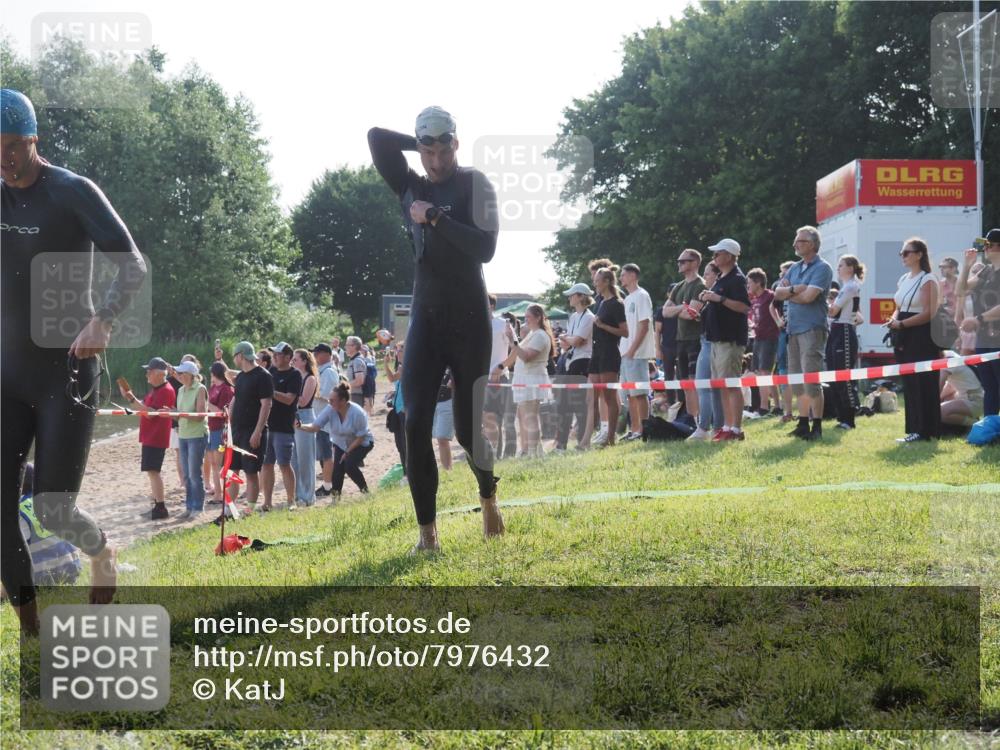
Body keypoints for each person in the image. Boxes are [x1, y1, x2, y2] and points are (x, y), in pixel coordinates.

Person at [1, 89, 148, 630]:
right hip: (7, 375)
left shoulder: (71, 191)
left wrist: (104, 318)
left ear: (32, 139)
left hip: (66, 372)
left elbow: (131, 261)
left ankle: (101, 550)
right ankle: (31, 635)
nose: (4, 158)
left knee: (53, 509)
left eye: (12, 146)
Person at [369, 105, 504, 552]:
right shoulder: (411, 185)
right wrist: (419, 141)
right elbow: (376, 138)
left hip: (469, 319)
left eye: (442, 147)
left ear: (456, 144)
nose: (434, 158)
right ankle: (428, 535)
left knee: (466, 432)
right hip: (426, 317)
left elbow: (485, 247)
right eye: (427, 149)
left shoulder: (474, 183)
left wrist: (436, 218)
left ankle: (488, 497)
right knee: (414, 423)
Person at [774, 226, 834, 441]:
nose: (795, 244)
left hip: (812, 329)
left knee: (811, 379)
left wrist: (791, 292)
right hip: (793, 330)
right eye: (796, 240)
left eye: (800, 241)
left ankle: (816, 426)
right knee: (797, 380)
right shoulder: (794, 268)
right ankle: (802, 423)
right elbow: (777, 293)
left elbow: (809, 297)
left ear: (812, 244)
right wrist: (795, 290)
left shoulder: (822, 268)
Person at [886, 237, 942, 442]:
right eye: (902, 253)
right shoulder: (904, 279)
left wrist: (902, 324)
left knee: (923, 382)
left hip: (921, 335)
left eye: (906, 252)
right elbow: (899, 307)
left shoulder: (928, 279)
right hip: (903, 334)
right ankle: (914, 429)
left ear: (919, 255)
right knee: (909, 382)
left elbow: (929, 312)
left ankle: (927, 430)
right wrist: (893, 320)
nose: (903, 256)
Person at [698, 239, 751, 441]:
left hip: (730, 340)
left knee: (731, 384)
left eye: (717, 253)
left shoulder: (737, 279)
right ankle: (727, 426)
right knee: (721, 385)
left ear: (729, 256)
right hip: (717, 340)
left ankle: (736, 429)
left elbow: (744, 307)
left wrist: (718, 299)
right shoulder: (722, 278)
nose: (714, 257)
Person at [119, 358, 176, 520]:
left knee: (154, 471)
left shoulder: (166, 390)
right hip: (150, 436)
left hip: (156, 437)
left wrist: (131, 399)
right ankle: (157, 504)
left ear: (159, 373)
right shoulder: (156, 389)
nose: (147, 374)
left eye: (149, 371)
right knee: (151, 472)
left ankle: (160, 507)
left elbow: (150, 414)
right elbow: (143, 407)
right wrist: (130, 399)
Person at [297, 382, 375, 499]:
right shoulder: (330, 409)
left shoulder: (357, 413)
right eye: (329, 399)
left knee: (349, 465)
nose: (329, 402)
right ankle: (335, 498)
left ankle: (366, 492)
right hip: (341, 443)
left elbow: (361, 437)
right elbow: (315, 427)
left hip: (362, 443)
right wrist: (300, 425)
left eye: (332, 400)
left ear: (343, 401)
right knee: (338, 470)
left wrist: (347, 452)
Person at [956, 229, 1000, 416]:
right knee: (990, 387)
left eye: (988, 245)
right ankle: (990, 428)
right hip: (984, 339)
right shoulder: (985, 270)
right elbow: (961, 290)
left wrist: (978, 319)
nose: (985, 248)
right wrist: (967, 266)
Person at [501, 304, 555, 457]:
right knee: (526, 417)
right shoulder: (533, 334)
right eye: (525, 318)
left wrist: (513, 341)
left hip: (532, 380)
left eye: (528, 317)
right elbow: (517, 355)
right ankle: (535, 451)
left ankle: (534, 452)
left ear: (538, 318)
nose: (526, 320)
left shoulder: (540, 335)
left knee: (530, 417)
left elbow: (525, 356)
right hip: (526, 379)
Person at [662, 250, 706, 421]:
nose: (679, 264)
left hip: (695, 340)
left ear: (694, 263)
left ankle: (700, 420)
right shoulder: (679, 286)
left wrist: (678, 310)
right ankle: (691, 419)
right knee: (685, 383)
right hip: (680, 340)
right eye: (678, 261)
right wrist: (682, 307)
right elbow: (665, 311)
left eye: (683, 261)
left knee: (695, 382)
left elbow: (692, 313)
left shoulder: (700, 285)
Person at [228, 341, 273, 507]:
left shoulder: (263, 376)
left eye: (234, 356)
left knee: (251, 472)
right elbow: (236, 401)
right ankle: (229, 510)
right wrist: (230, 426)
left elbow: (266, 404)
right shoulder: (240, 377)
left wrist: (258, 431)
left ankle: (250, 510)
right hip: (237, 431)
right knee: (233, 470)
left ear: (240, 356)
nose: (234, 360)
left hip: (252, 431)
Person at [686, 261, 725, 440]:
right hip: (708, 341)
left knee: (703, 386)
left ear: (717, 275)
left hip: (710, 343)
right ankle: (717, 427)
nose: (705, 277)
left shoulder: (715, 295)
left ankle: (703, 427)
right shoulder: (712, 295)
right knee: (713, 388)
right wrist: (699, 316)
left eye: (708, 273)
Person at [589, 266, 628, 447]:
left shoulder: (616, 304)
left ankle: (611, 436)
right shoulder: (600, 302)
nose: (595, 284)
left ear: (606, 282)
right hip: (596, 352)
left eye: (597, 281)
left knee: (609, 396)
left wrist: (603, 326)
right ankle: (597, 432)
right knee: (593, 394)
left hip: (610, 353)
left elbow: (625, 332)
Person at [826, 255, 865, 429]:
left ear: (850, 268)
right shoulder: (845, 288)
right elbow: (858, 316)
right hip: (836, 331)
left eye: (841, 265)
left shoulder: (851, 286)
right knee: (834, 375)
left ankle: (849, 418)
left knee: (845, 377)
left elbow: (833, 311)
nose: (838, 268)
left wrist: (821, 303)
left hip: (844, 332)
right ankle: (841, 417)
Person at [555, 283, 596, 451]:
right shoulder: (573, 317)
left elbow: (577, 341)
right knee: (563, 404)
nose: (569, 298)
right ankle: (561, 445)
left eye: (572, 295)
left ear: (580, 296)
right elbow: (568, 343)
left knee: (579, 405)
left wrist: (569, 339)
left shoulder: (589, 317)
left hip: (582, 362)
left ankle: (581, 442)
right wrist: (570, 339)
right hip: (570, 360)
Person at [618, 263, 656, 441]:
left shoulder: (642, 295)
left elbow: (644, 324)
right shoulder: (627, 299)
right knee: (630, 396)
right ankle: (634, 430)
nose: (621, 278)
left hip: (637, 353)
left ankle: (645, 429)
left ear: (633, 275)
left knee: (639, 394)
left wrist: (633, 349)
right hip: (625, 354)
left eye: (623, 275)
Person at [262, 342, 301, 510]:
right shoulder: (271, 372)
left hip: (284, 426)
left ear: (287, 357)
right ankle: (267, 502)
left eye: (278, 354)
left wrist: (270, 391)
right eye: (274, 354)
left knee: (284, 464)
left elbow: (289, 399)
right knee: (267, 464)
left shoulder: (295, 375)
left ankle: (291, 501)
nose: (275, 357)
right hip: (267, 425)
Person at [173, 360, 209, 518]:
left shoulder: (200, 389)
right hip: (183, 434)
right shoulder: (180, 390)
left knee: (194, 474)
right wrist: (173, 412)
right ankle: (189, 507)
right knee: (186, 475)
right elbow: (181, 413)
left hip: (197, 434)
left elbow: (200, 416)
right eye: (178, 373)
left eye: (181, 373)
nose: (179, 376)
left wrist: (179, 414)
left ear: (190, 375)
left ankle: (198, 507)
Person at [484, 294, 516, 458]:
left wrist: (501, 367)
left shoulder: (503, 324)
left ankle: (506, 455)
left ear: (492, 306)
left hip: (499, 377)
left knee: (502, 419)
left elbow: (515, 350)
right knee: (489, 419)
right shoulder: (474, 324)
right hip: (481, 380)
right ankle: (494, 455)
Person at [746, 268, 779, 417]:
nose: (748, 285)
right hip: (758, 338)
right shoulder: (755, 299)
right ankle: (776, 406)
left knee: (765, 371)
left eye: (750, 282)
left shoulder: (770, 296)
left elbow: (779, 312)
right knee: (760, 372)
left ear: (758, 283)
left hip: (769, 337)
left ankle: (764, 408)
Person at [292, 348, 319, 507]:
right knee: (294, 459)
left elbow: (303, 401)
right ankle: (297, 494)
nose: (293, 362)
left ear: (304, 361)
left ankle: (308, 496)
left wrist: (288, 393)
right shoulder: (295, 376)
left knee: (305, 459)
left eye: (295, 359)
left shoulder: (310, 378)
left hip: (305, 416)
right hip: (293, 416)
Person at [206, 362, 235, 503]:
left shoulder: (226, 389)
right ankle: (218, 492)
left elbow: (223, 412)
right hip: (211, 428)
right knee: (213, 462)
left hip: (221, 429)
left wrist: (207, 405)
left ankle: (221, 494)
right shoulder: (213, 388)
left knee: (219, 463)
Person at [312, 343, 339, 498]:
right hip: (320, 418)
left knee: (327, 454)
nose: (315, 356)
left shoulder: (328, 372)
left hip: (325, 419)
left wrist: (308, 391)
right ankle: (328, 484)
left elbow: (327, 394)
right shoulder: (322, 371)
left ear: (326, 354)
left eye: (317, 353)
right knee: (323, 454)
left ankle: (329, 486)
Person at [940, 349, 985, 430]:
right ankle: (969, 420)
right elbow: (950, 387)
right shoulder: (950, 354)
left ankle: (975, 425)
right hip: (973, 397)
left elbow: (939, 386)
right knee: (945, 399)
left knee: (939, 412)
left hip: (974, 400)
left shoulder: (948, 361)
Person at [385, 341, 407, 479]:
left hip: (405, 410)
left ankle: (409, 473)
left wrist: (386, 364)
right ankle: (406, 473)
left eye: (399, 350)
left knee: (405, 444)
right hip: (399, 408)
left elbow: (392, 378)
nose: (396, 353)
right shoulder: (401, 366)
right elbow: (396, 382)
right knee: (400, 444)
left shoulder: (406, 366)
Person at [433, 369, 455, 470]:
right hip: (433, 401)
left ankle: (448, 469)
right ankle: (446, 469)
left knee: (442, 438)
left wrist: (454, 380)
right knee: (439, 438)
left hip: (448, 401)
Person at [344, 336, 367, 408]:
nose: (345, 347)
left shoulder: (357, 361)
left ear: (354, 346)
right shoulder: (354, 360)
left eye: (347, 345)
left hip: (356, 396)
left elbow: (359, 381)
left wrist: (343, 386)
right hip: (353, 395)